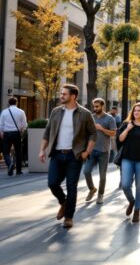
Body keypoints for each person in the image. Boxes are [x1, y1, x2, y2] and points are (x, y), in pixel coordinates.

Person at [39, 84, 96, 229]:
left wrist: (87, 152)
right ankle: (63, 202)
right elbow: (47, 131)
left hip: (74, 155)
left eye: (64, 94)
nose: (61, 96)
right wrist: (42, 150)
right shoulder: (56, 111)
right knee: (52, 183)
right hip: (57, 154)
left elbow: (93, 133)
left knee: (72, 187)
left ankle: (69, 217)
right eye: (61, 93)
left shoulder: (85, 113)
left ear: (73, 96)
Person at [83, 98, 116, 204]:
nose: (95, 108)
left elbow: (113, 133)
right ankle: (92, 189)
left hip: (104, 151)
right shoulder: (91, 117)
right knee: (86, 171)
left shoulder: (109, 118)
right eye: (94, 106)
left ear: (103, 106)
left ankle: (100, 194)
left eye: (97, 106)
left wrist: (101, 129)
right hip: (91, 151)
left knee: (102, 176)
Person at [0, 97, 27, 176]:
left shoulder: (4, 112)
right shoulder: (21, 112)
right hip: (16, 133)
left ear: (9, 103)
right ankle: (18, 170)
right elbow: (24, 124)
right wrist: (22, 131)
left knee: (6, 152)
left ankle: (10, 164)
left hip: (7, 133)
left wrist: (1, 132)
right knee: (18, 152)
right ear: (17, 103)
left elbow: (1, 124)